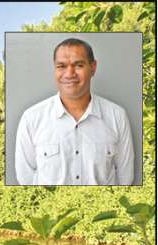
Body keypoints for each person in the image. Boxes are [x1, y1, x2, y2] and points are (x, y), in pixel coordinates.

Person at [14, 38, 134, 185]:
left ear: (93, 67)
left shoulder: (117, 116)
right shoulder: (31, 119)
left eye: (78, 65)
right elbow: (25, 178)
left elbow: (125, 177)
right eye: (61, 66)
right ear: (55, 69)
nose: (69, 73)